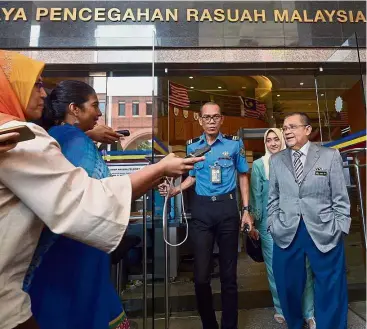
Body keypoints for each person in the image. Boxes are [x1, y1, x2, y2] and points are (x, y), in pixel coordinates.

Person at [0, 50, 203, 329]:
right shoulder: (22, 137)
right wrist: (159, 169)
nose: (44, 93)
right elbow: (88, 200)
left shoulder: (48, 136)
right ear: (74, 109)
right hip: (67, 268)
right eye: (36, 84)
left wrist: (84, 133)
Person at [25, 80, 131, 329]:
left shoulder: (54, 136)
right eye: (94, 105)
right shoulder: (75, 140)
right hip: (78, 253)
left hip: (59, 252)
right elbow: (93, 195)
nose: (100, 113)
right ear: (74, 108)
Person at [159, 102, 252, 329]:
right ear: (200, 120)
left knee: (229, 277)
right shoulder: (193, 148)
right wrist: (174, 191)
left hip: (227, 210)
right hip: (202, 212)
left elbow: (242, 176)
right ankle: (209, 325)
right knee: (200, 277)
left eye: (215, 117)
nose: (211, 121)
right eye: (207, 117)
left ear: (221, 120)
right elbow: (192, 178)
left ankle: (229, 326)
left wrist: (246, 210)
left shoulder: (233, 144)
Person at [267, 112, 350, 329]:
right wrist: (273, 224)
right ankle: (295, 325)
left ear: (307, 130)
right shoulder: (276, 160)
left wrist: (340, 226)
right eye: (285, 128)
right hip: (286, 230)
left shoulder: (329, 156)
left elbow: (340, 197)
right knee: (287, 286)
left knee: (330, 285)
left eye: (292, 127)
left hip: (324, 229)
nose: (287, 132)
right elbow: (272, 198)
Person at [250, 128, 316, 328]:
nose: (273, 143)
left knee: (304, 267)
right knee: (276, 270)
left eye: (276, 139)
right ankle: (282, 309)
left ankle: (308, 312)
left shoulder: (294, 160)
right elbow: (255, 196)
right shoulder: (260, 165)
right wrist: (254, 223)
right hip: (268, 226)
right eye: (268, 140)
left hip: (295, 222)